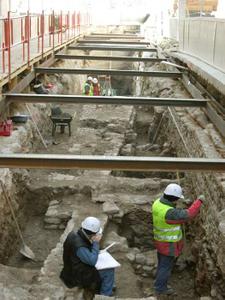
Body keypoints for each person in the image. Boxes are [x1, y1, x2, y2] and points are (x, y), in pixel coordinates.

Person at [152, 183, 205, 295]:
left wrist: (179, 206)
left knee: (163, 261)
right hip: (168, 244)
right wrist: (199, 201)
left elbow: (174, 212)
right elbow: (189, 214)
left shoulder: (158, 202)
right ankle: (160, 288)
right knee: (165, 266)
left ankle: (171, 268)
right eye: (177, 199)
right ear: (174, 198)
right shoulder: (169, 213)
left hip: (160, 241)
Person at [60, 216, 115, 298]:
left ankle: (105, 286)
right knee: (109, 270)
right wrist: (96, 243)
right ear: (92, 234)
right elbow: (92, 261)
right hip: (77, 275)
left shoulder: (76, 233)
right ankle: (105, 295)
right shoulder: (80, 246)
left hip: (74, 267)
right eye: (96, 233)